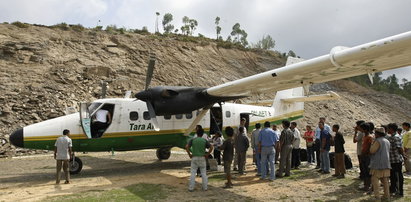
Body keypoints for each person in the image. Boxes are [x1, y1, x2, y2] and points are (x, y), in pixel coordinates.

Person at [186, 128, 214, 192]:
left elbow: (187, 147)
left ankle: (191, 188)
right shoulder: (204, 140)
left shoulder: (193, 140)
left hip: (194, 157)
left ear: (196, 133)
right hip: (202, 157)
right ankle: (205, 187)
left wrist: (189, 154)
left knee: (193, 173)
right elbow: (211, 147)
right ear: (202, 134)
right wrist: (207, 154)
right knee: (203, 173)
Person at [369, 127, 391, 201]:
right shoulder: (387, 141)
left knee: (375, 180)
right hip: (386, 163)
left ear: (377, 133)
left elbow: (372, 151)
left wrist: (372, 144)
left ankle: (377, 197)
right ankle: (386, 195)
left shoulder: (378, 141)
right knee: (385, 181)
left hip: (378, 164)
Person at [387, 123, 404, 197]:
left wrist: (403, 155)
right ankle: (394, 189)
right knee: (393, 176)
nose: (387, 130)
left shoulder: (395, 137)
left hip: (396, 160)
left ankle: (400, 191)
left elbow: (399, 148)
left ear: (391, 129)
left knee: (398, 176)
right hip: (392, 160)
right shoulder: (392, 137)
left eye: (388, 128)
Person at [359, 122, 373, 191]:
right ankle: (366, 185)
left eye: (362, 129)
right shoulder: (365, 137)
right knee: (364, 171)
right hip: (364, 155)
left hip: (367, 156)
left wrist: (363, 154)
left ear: (365, 130)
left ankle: (368, 185)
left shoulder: (369, 137)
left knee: (367, 171)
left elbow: (368, 147)